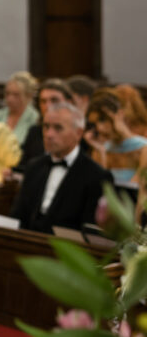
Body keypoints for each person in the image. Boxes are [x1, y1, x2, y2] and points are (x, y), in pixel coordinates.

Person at [9, 102, 112, 234]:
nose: (49, 134)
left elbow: (90, 231)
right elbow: (17, 216)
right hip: (27, 241)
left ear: (78, 133)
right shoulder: (34, 167)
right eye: (46, 127)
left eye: (58, 128)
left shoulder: (96, 176)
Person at [85, 90, 147, 185]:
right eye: (94, 124)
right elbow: (98, 186)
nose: (99, 128)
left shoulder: (143, 148)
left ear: (120, 115)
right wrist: (101, 153)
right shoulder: (100, 149)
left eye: (103, 120)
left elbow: (137, 187)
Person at [16, 79, 76, 172]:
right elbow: (23, 166)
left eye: (54, 100)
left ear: (69, 102)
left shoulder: (77, 133)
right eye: (43, 101)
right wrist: (12, 173)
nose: (48, 106)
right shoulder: (34, 132)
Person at [0, 71, 39, 145]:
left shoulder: (35, 119)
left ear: (28, 96)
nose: (10, 99)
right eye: (7, 93)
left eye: (16, 95)